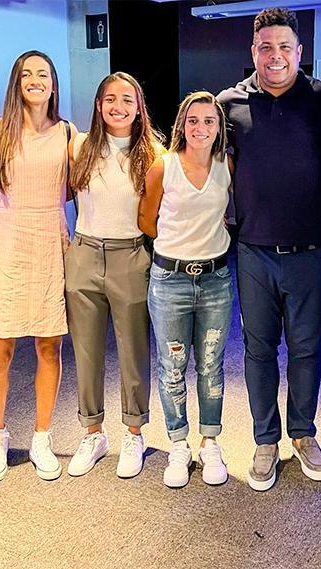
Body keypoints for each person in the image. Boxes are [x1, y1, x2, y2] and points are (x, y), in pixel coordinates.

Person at [217, 7, 321, 491]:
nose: (276, 56)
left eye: (285, 47)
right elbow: (195, 157)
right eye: (266, 47)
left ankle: (303, 434)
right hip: (253, 251)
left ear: (299, 52)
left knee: (307, 349)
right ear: (253, 52)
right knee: (259, 350)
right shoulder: (229, 103)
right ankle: (266, 441)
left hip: (309, 251)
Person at [0, 50, 75, 483]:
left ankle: (43, 438)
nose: (35, 80)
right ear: (16, 82)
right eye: (26, 74)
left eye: (42, 73)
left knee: (50, 347)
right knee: (0, 348)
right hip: (5, 244)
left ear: (52, 83)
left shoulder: (68, 133)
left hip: (51, 242)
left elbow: (82, 180)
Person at [64, 72, 164, 479]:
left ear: (139, 106)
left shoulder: (155, 152)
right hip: (84, 253)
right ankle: (93, 432)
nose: (117, 107)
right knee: (85, 351)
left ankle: (134, 433)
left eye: (126, 99)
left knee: (133, 351)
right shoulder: (80, 147)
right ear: (99, 104)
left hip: (131, 255)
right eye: (109, 99)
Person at [138, 91, 233, 488]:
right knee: (172, 367)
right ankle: (179, 444)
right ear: (182, 125)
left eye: (209, 121)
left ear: (219, 127)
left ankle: (209, 441)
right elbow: (146, 219)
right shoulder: (163, 167)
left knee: (211, 365)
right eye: (193, 120)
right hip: (170, 281)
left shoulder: (228, 165)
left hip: (215, 280)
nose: (201, 128)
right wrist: (180, 249)